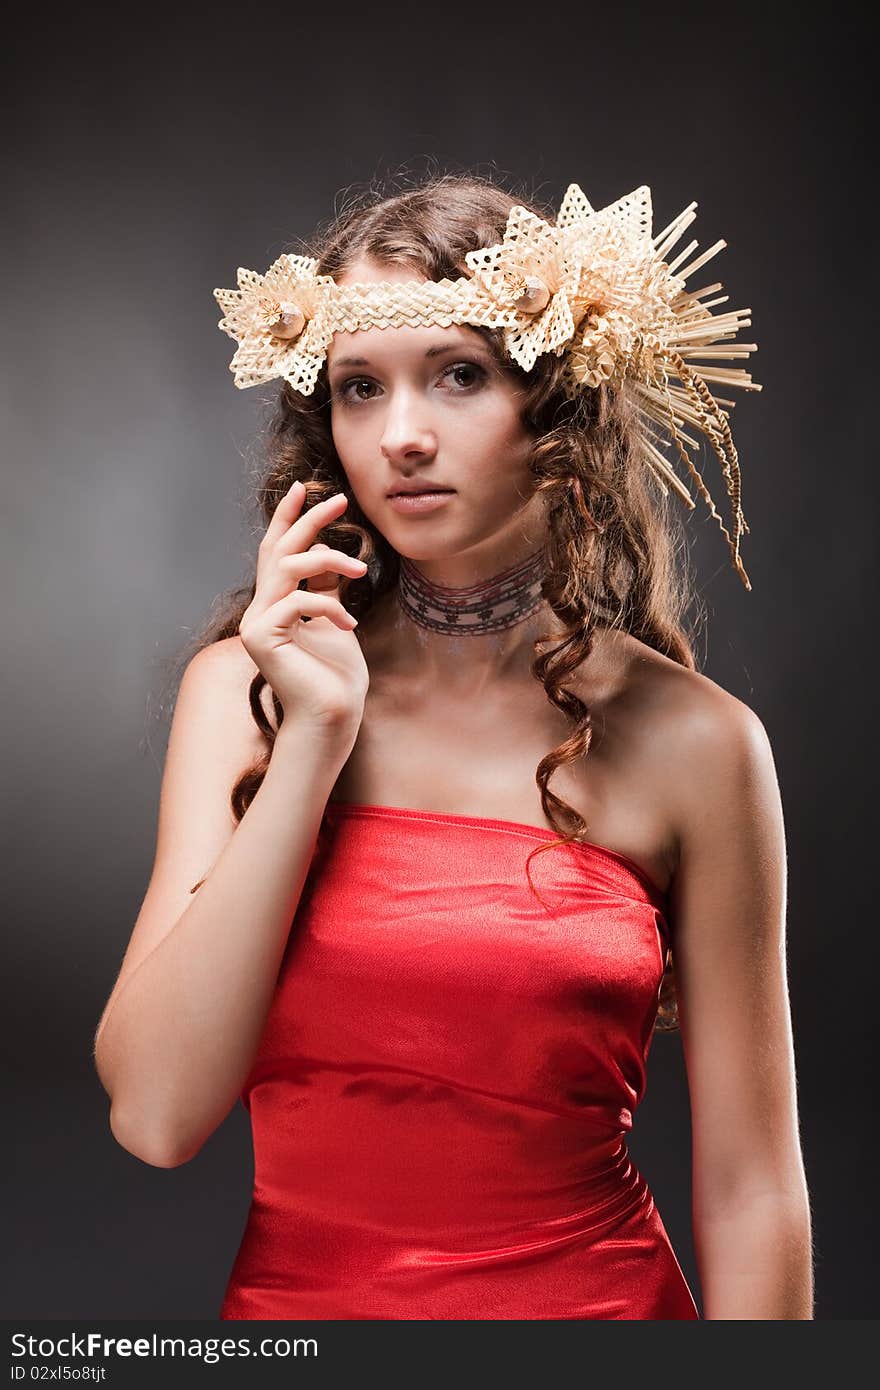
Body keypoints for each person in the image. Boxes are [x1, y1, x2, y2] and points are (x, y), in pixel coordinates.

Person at [93, 173, 814, 1319]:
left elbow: (749, 1184)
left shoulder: (699, 742)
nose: (403, 436)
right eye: (358, 389)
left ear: (559, 403)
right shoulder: (244, 693)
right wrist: (315, 741)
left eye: (460, 374)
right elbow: (156, 1115)